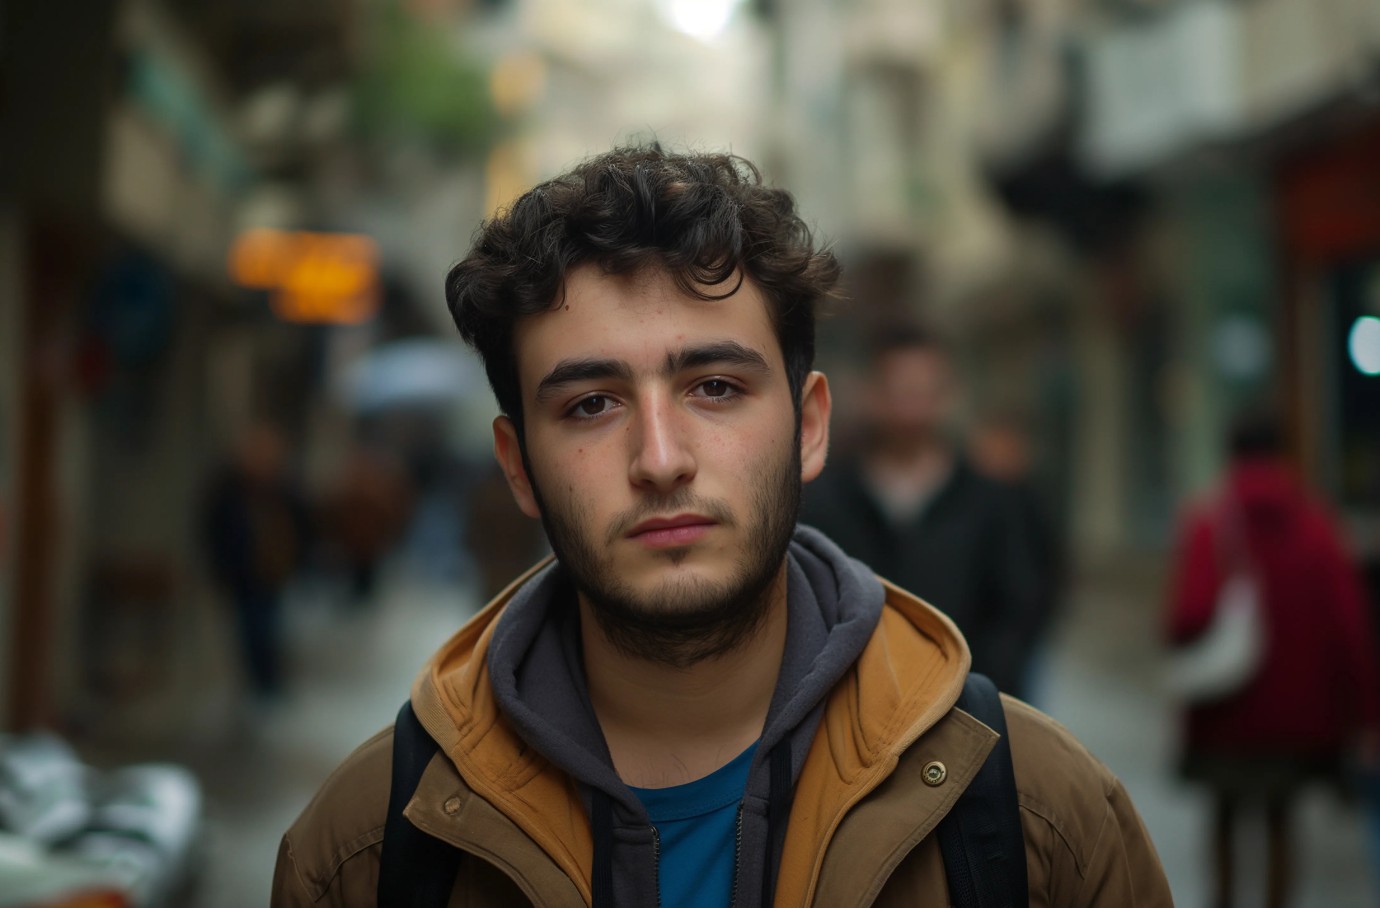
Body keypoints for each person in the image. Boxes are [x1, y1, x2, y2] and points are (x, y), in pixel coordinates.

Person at [272, 145, 1170, 907]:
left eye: (715, 388)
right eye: (590, 404)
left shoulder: (1039, 818)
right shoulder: (369, 847)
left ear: (809, 426)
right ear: (517, 467)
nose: (660, 458)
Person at [1165, 411, 1380, 908]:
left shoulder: (1210, 521)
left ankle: (1223, 898)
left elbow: (1185, 616)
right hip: (1298, 715)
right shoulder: (1317, 523)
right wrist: (1364, 714)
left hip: (1224, 710)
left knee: (1224, 814)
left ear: (1230, 453)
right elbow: (1349, 628)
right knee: (1282, 819)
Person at [800, 327, 1047, 698]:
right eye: (899, 391)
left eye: (926, 392)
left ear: (948, 394)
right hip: (848, 705)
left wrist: (984, 686)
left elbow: (1022, 602)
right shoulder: (822, 497)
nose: (912, 408)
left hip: (970, 704)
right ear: (870, 392)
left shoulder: (993, 502)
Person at [201, 422, 309, 702]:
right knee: (250, 628)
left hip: (272, 571)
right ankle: (260, 682)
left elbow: (301, 525)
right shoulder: (230, 491)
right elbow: (215, 529)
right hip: (243, 573)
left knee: (267, 626)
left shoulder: (283, 489)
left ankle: (267, 682)